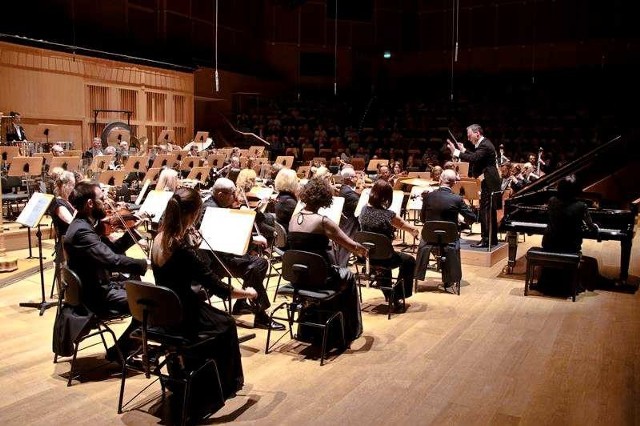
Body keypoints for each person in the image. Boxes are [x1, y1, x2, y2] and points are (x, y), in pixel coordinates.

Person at [151, 187, 257, 409]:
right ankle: (224, 385)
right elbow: (218, 288)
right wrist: (248, 292)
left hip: (162, 314)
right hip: (184, 314)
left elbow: (178, 271)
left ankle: (190, 370)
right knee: (226, 324)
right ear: (193, 214)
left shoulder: (158, 238)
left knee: (217, 319)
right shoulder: (182, 249)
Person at [63, 181, 149, 359]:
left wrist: (134, 231)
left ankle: (132, 347)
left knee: (144, 289)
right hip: (95, 296)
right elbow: (111, 260)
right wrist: (144, 264)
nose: (107, 202)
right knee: (150, 304)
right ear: (90, 203)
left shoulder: (85, 225)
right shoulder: (82, 232)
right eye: (102, 199)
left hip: (97, 287)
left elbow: (112, 251)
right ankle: (120, 352)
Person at [288, 178, 367, 344]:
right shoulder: (323, 222)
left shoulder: (293, 219)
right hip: (321, 278)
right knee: (349, 277)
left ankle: (310, 328)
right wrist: (365, 250)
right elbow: (352, 245)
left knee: (337, 273)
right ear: (325, 199)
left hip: (300, 277)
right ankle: (346, 332)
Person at [199, 178, 284, 330]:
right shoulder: (213, 210)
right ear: (220, 194)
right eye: (232, 194)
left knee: (257, 265)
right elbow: (223, 239)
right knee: (256, 266)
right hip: (215, 261)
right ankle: (260, 314)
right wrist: (252, 239)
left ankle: (242, 303)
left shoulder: (213, 204)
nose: (236, 198)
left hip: (220, 255)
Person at [537, 174, 601, 295]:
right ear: (577, 190)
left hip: (550, 243)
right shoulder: (581, 206)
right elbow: (591, 227)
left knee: (555, 242)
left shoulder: (552, 201)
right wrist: (596, 230)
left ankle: (546, 284)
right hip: (570, 245)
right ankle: (570, 285)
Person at [358, 180, 419, 306]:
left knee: (383, 255)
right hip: (385, 258)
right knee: (409, 260)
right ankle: (398, 294)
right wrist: (414, 231)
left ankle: (389, 294)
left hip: (366, 256)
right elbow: (402, 224)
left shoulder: (363, 211)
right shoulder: (388, 215)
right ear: (386, 197)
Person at [415, 169, 477, 292]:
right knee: (452, 243)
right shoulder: (457, 199)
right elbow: (472, 218)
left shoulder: (428, 197)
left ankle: (418, 275)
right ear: (454, 183)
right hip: (449, 239)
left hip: (429, 238)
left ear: (440, 180)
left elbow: (422, 219)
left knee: (424, 243)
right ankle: (449, 279)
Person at [447, 124, 501, 248]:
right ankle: (492, 239)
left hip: (489, 181)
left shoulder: (485, 145)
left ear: (477, 133)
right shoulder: (484, 144)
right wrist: (464, 150)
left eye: (469, 135)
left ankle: (486, 239)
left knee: (485, 211)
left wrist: (456, 152)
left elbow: (475, 158)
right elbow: (477, 156)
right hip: (489, 180)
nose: (468, 137)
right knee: (489, 210)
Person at [335, 167, 360, 267]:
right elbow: (360, 205)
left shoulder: (345, 189)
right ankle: (341, 268)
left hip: (348, 221)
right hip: (350, 223)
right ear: (349, 178)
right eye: (355, 177)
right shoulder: (348, 193)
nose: (357, 178)